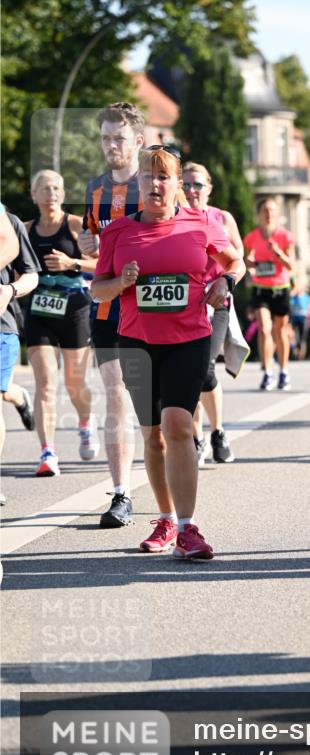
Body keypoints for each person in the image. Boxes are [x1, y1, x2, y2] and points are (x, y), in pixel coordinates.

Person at [92, 146, 244, 559]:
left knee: (177, 424)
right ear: (138, 182)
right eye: (148, 176)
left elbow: (235, 263)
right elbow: (97, 288)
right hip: (137, 343)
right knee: (153, 436)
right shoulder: (118, 233)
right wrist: (120, 282)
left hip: (189, 338)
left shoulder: (201, 224)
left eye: (164, 177)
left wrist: (224, 284)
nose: (156, 184)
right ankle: (164, 518)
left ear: (178, 185)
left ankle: (187, 527)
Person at [78, 102, 145, 527]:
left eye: (118, 138)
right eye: (105, 137)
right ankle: (121, 494)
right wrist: (88, 247)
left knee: (156, 405)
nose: (111, 145)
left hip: (153, 307)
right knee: (115, 395)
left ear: (138, 140)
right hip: (106, 306)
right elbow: (93, 244)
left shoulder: (156, 184)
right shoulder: (95, 190)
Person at [23, 171, 100, 476]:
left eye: (56, 188)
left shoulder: (76, 225)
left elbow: (105, 262)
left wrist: (73, 264)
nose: (51, 193)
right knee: (45, 383)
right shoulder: (25, 231)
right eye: (45, 188)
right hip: (40, 311)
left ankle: (85, 421)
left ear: (63, 194)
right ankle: (47, 452)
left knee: (74, 383)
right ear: (34, 194)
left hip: (75, 309)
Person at [182, 162, 244, 465]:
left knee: (204, 367)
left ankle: (218, 431)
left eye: (197, 185)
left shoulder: (221, 218)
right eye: (186, 185)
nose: (192, 191)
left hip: (216, 300)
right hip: (182, 302)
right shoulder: (174, 218)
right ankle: (196, 437)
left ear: (209, 188)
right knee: (188, 370)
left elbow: (238, 258)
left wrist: (223, 279)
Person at [0, 213, 40, 505]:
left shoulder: (8, 221)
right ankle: (19, 396)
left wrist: (10, 290)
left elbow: (31, 274)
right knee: (4, 391)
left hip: (2, 324)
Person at [243, 196, 295, 391]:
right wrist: (250, 264)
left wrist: (278, 253)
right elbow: (246, 260)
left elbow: (291, 265)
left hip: (280, 288)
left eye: (272, 211)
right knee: (264, 329)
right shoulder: (251, 237)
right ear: (258, 214)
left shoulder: (285, 236)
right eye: (265, 211)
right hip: (260, 289)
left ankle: (284, 371)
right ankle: (267, 373)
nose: (269, 214)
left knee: (280, 331)